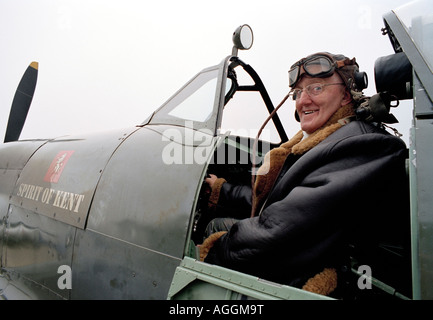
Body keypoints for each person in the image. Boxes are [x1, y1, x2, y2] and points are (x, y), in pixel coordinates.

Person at [199, 52, 410, 297]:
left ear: (344, 96)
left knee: (211, 235)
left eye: (316, 88)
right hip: (303, 251)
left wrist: (208, 254)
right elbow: (281, 200)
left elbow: (278, 231)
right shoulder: (319, 141)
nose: (303, 101)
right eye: (297, 93)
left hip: (329, 276)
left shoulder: (365, 145)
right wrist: (222, 190)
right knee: (216, 224)